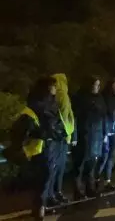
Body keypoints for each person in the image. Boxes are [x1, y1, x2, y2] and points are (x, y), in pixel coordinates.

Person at [6, 77, 65, 219]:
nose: (55, 89)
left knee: (47, 177)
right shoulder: (34, 106)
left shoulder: (52, 103)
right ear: (46, 88)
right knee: (42, 178)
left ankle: (41, 205)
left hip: (51, 147)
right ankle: (39, 207)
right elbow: (20, 129)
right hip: (38, 149)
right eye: (53, 87)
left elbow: (57, 123)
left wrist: (59, 134)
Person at [70, 76, 106, 200]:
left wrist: (103, 133)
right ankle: (78, 190)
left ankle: (90, 188)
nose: (97, 87)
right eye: (95, 85)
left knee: (92, 162)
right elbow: (74, 117)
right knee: (80, 163)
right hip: (83, 133)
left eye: (98, 85)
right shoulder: (79, 98)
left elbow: (103, 114)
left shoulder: (99, 98)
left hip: (96, 134)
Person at [97, 78, 115, 192]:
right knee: (103, 156)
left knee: (111, 156)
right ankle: (95, 180)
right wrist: (104, 132)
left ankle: (107, 181)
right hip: (105, 131)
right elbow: (103, 115)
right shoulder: (104, 97)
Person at [51, 74, 75, 204]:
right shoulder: (63, 96)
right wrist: (69, 134)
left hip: (60, 136)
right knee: (58, 167)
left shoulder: (56, 96)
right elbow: (67, 117)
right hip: (62, 137)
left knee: (56, 167)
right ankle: (56, 193)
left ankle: (54, 193)